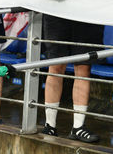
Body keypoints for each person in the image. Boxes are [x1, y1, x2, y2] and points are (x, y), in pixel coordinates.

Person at [41, 15, 103, 143]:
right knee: (56, 66)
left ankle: (78, 127)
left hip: (86, 12)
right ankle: (50, 125)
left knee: (83, 67)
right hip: (56, 10)